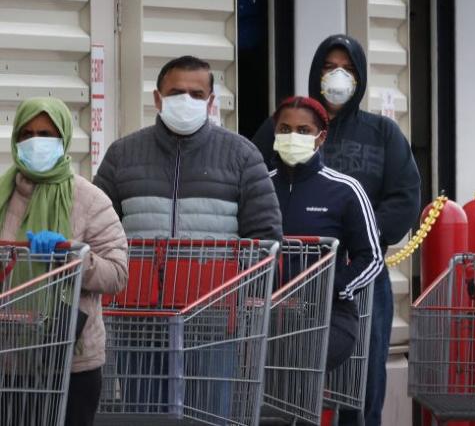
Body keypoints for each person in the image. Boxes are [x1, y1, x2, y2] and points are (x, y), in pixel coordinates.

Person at [94, 55, 282, 420]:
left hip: (212, 318)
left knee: (209, 415)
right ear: (157, 98)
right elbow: (100, 230)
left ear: (212, 102)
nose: (186, 100)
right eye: (176, 92)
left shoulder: (242, 156)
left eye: (196, 94)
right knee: (143, 415)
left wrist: (244, 303)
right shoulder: (123, 154)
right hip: (137, 318)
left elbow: (265, 237)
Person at [252, 35, 420, 426]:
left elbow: (406, 195)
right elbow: (254, 183)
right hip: (290, 279)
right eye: (329, 67)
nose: (337, 76)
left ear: (359, 77)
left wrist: (360, 233)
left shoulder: (383, 133)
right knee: (285, 377)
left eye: (346, 68)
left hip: (359, 273)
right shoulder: (285, 123)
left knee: (363, 378)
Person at [0, 97, 128, 426]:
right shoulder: (2, 194)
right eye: (26, 133)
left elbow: (116, 273)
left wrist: (72, 256)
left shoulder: (89, 198)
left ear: (64, 139)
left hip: (71, 360)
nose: (35, 141)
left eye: (46, 133)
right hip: (8, 358)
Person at [268, 95, 383, 370]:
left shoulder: (346, 190)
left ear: (321, 137)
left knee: (300, 356)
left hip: (329, 316)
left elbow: (371, 257)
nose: (292, 136)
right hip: (267, 315)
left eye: (303, 130)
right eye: (285, 129)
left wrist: (336, 288)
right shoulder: (261, 186)